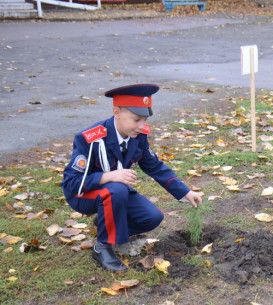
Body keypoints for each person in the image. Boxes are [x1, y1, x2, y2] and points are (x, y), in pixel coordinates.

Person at [61, 84, 202, 272]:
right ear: (116, 112)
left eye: (144, 120)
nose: (142, 126)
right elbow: (71, 183)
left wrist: (185, 191)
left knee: (152, 217)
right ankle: (102, 247)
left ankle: (107, 224)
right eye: (136, 119)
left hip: (115, 193)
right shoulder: (90, 138)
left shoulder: (138, 136)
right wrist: (108, 176)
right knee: (117, 189)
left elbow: (155, 166)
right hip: (83, 195)